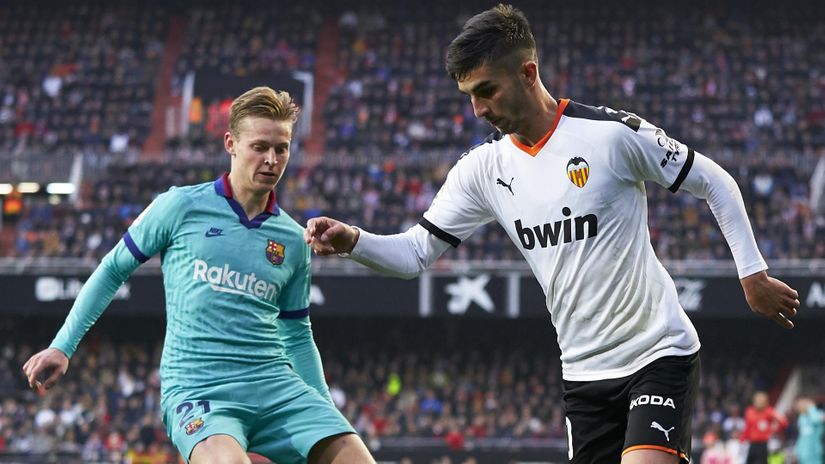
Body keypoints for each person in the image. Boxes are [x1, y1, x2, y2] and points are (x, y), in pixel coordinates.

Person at [304, 4, 800, 464]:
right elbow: (416, 253)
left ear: (528, 72)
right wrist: (353, 240)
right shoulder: (482, 170)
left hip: (658, 352)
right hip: (582, 374)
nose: (477, 109)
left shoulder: (610, 135)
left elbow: (714, 181)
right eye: (469, 95)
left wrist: (752, 274)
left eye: (486, 90)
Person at [22, 87, 375, 464]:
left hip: (276, 387)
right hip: (200, 389)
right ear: (231, 144)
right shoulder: (180, 206)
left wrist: (325, 410)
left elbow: (297, 333)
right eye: (259, 147)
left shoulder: (293, 238)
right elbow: (113, 269)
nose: (271, 160)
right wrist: (62, 346)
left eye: (281, 148)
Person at [741, 391, 788, 464]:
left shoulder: (769, 411)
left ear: (766, 402)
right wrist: (742, 439)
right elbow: (747, 427)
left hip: (764, 444)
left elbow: (783, 421)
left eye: (761, 401)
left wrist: (775, 429)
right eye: (757, 401)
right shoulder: (749, 411)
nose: (759, 403)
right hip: (752, 443)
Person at [794, 396, 823, 464]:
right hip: (804, 452)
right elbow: (802, 436)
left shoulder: (818, 414)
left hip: (815, 452)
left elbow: (816, 420)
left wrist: (812, 409)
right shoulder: (802, 418)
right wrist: (798, 449)